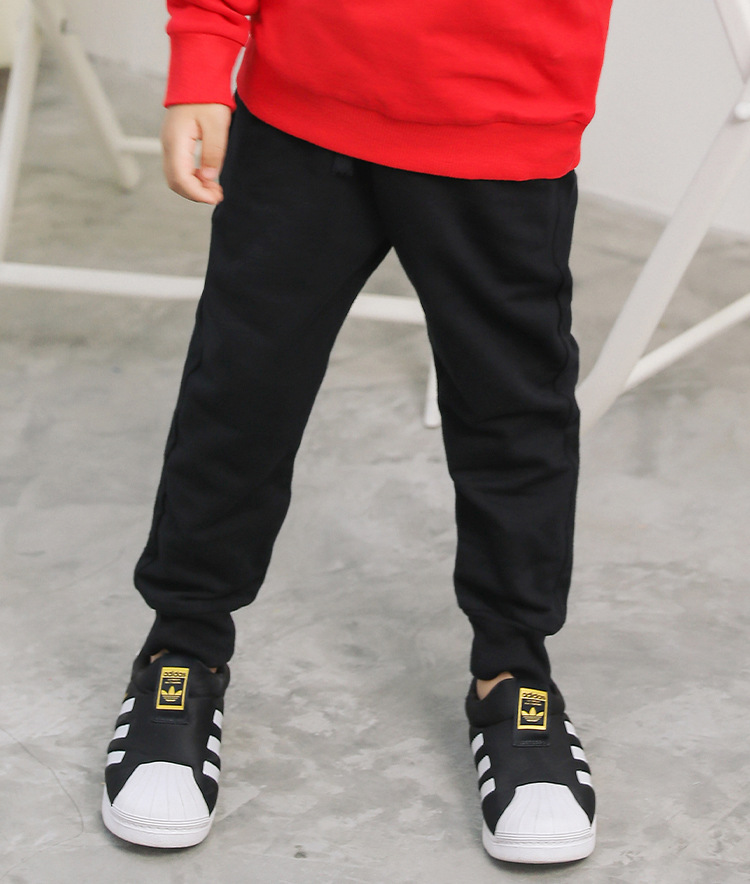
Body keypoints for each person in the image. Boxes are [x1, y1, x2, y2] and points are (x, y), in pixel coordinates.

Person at [101, 0, 613, 865]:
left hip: (503, 111)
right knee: (241, 393)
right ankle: (182, 649)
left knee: (513, 414)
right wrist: (204, 48)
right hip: (302, 104)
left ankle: (514, 674)